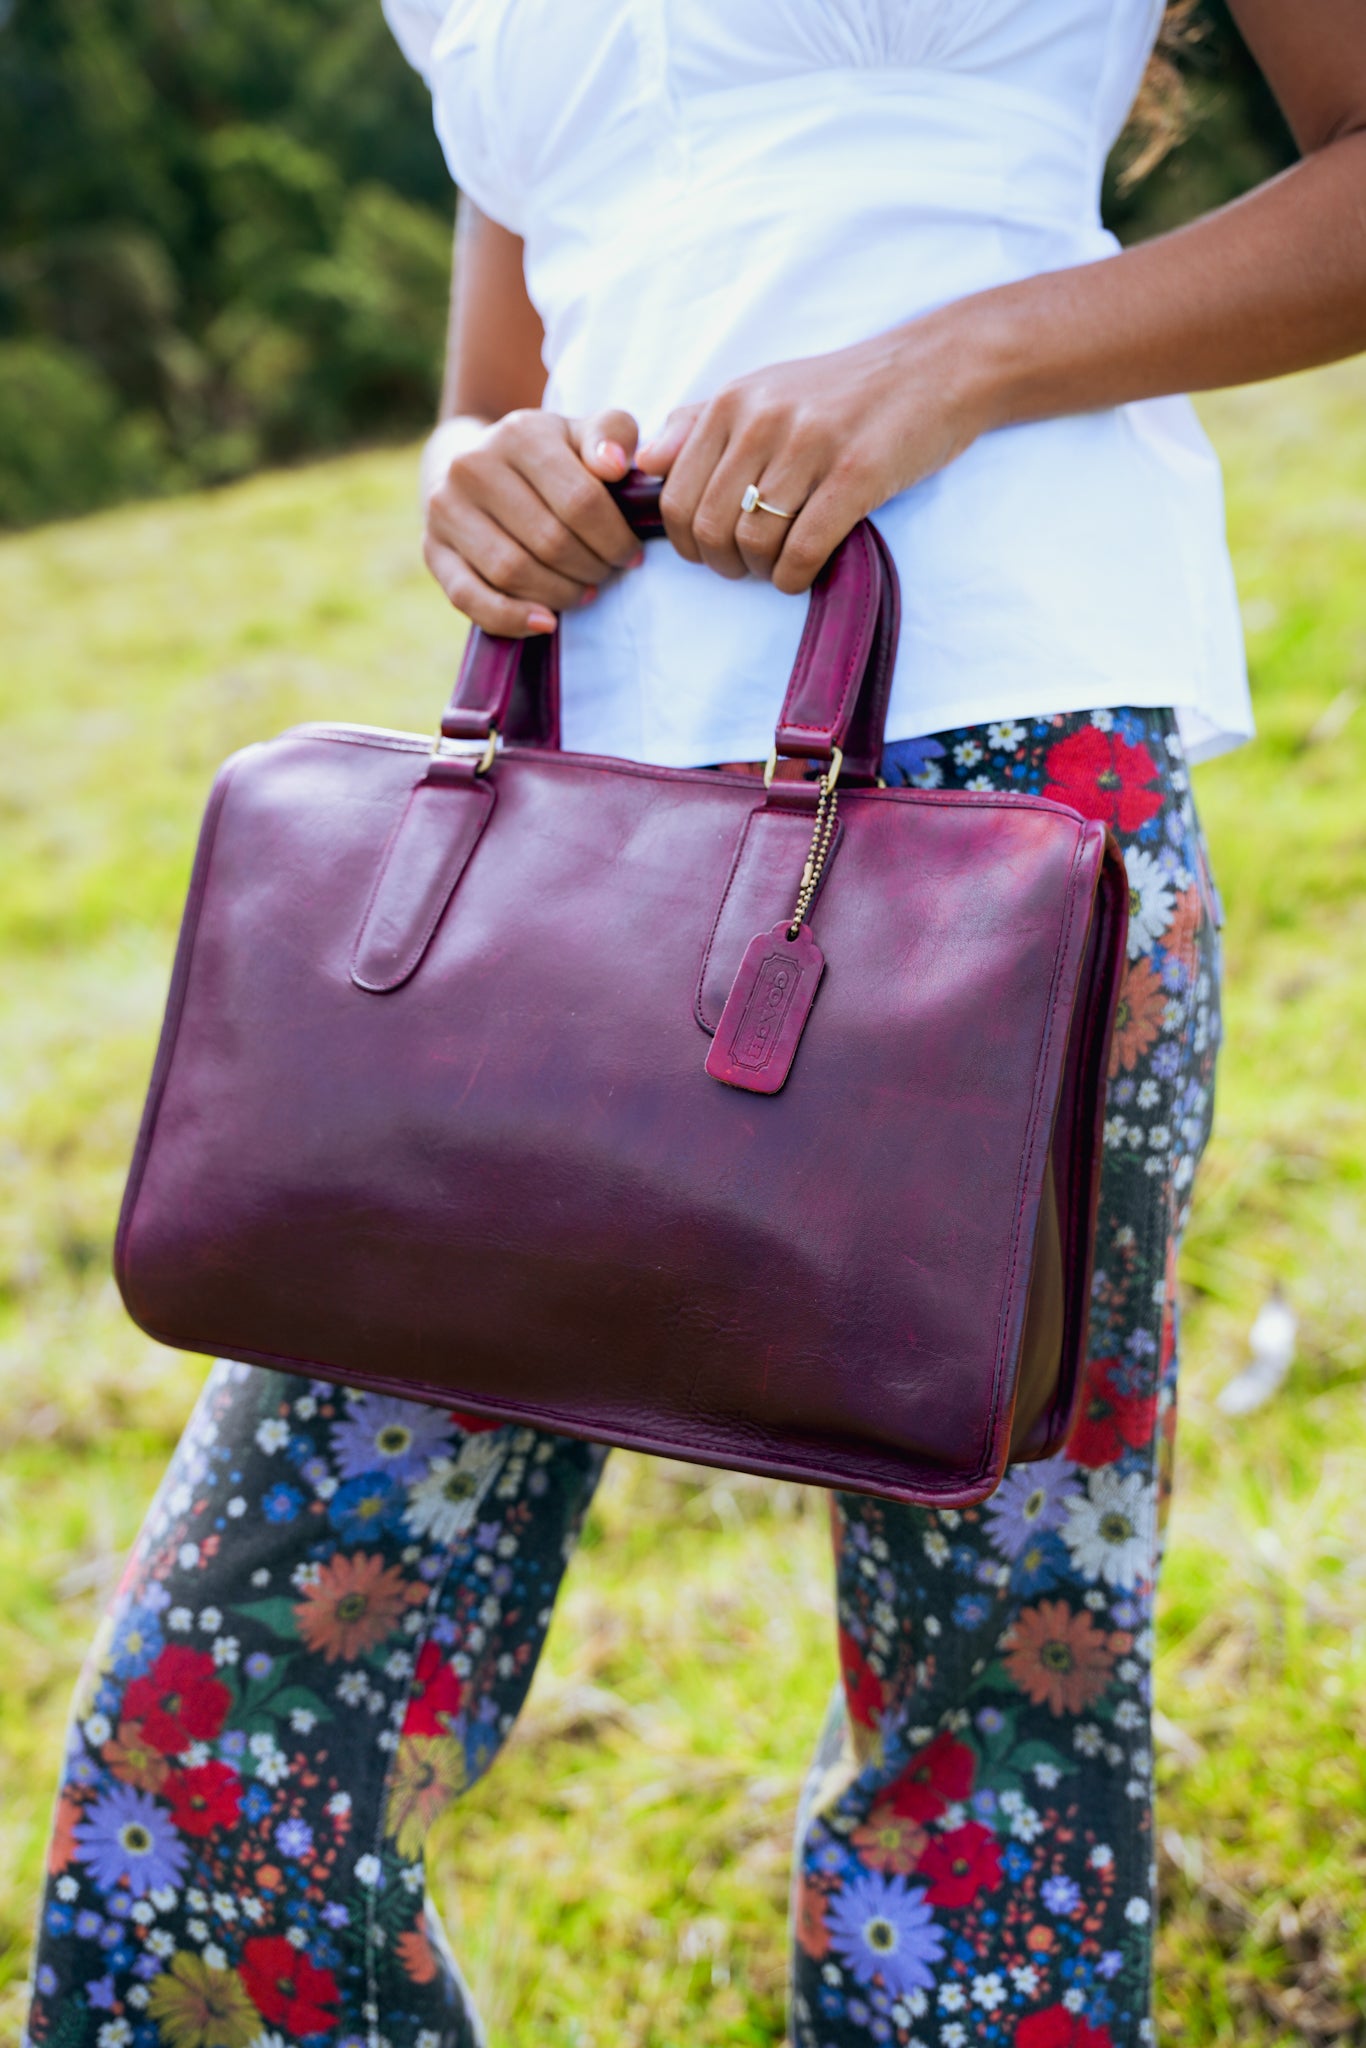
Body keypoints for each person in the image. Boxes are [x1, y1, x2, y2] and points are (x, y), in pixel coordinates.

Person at [23, 5, 1366, 2046]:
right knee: (207, 1756)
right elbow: (499, 377)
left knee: (987, 1726)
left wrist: (961, 354)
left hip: (1005, 784)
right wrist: (473, 477)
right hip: (559, 825)